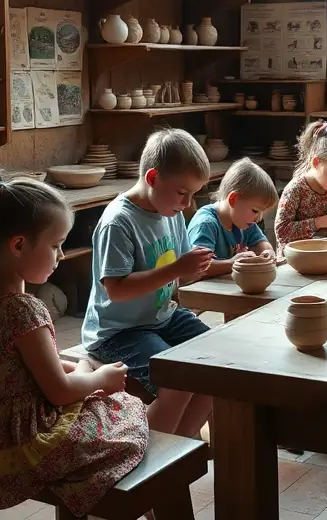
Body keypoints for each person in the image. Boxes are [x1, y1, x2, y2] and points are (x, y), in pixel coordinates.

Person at [0, 167, 148, 517]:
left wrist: (78, 368)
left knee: (93, 389)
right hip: (22, 443)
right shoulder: (23, 310)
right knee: (127, 413)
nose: (61, 256)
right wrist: (100, 379)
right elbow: (58, 392)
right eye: (55, 245)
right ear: (19, 245)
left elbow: (22, 364)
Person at [81, 129, 215, 436]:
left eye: (194, 194)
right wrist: (178, 269)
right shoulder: (119, 221)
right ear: (152, 178)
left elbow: (178, 273)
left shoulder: (171, 211)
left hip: (161, 317)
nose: (189, 203)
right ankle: (149, 459)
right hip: (119, 331)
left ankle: (181, 446)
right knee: (176, 382)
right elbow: (116, 290)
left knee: (214, 367)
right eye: (183, 193)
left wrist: (197, 267)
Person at [275, 120, 327, 252]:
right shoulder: (296, 189)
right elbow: (281, 232)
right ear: (316, 162)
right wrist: (317, 223)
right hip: (299, 261)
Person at [187, 157, 278, 278]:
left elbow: (261, 242)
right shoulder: (206, 224)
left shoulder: (242, 221)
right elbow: (198, 267)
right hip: (200, 291)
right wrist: (232, 263)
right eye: (255, 210)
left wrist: (267, 253)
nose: (259, 218)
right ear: (233, 199)